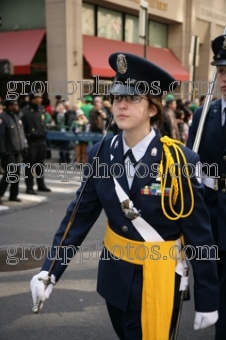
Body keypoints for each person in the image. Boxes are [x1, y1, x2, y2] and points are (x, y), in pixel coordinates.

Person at [30, 53, 219, 339]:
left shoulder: (179, 160)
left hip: (160, 280)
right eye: (118, 98)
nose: (121, 105)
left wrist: (208, 298)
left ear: (153, 108)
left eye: (133, 99)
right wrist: (50, 271)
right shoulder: (100, 155)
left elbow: (199, 234)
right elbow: (78, 216)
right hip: (114, 280)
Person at [187, 35, 226, 340]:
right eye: (222, 71)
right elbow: (191, 168)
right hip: (211, 212)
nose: (225, 78)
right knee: (215, 278)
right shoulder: (203, 115)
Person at [21, 90, 51, 195]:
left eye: (41, 98)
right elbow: (22, 129)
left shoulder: (41, 110)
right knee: (29, 165)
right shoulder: (25, 112)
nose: (40, 99)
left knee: (40, 164)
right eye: (38, 98)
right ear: (32, 99)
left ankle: (41, 184)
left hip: (41, 140)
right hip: (31, 141)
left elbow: (42, 125)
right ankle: (29, 187)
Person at [0, 99, 27, 204]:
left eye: (16, 104)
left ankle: (13, 195)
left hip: (18, 151)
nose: (15, 106)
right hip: (8, 151)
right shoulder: (3, 118)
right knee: (9, 174)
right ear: (7, 106)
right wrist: (2, 151)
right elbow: (1, 136)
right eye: (12, 104)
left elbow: (21, 134)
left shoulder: (17, 117)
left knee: (16, 173)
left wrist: (25, 146)